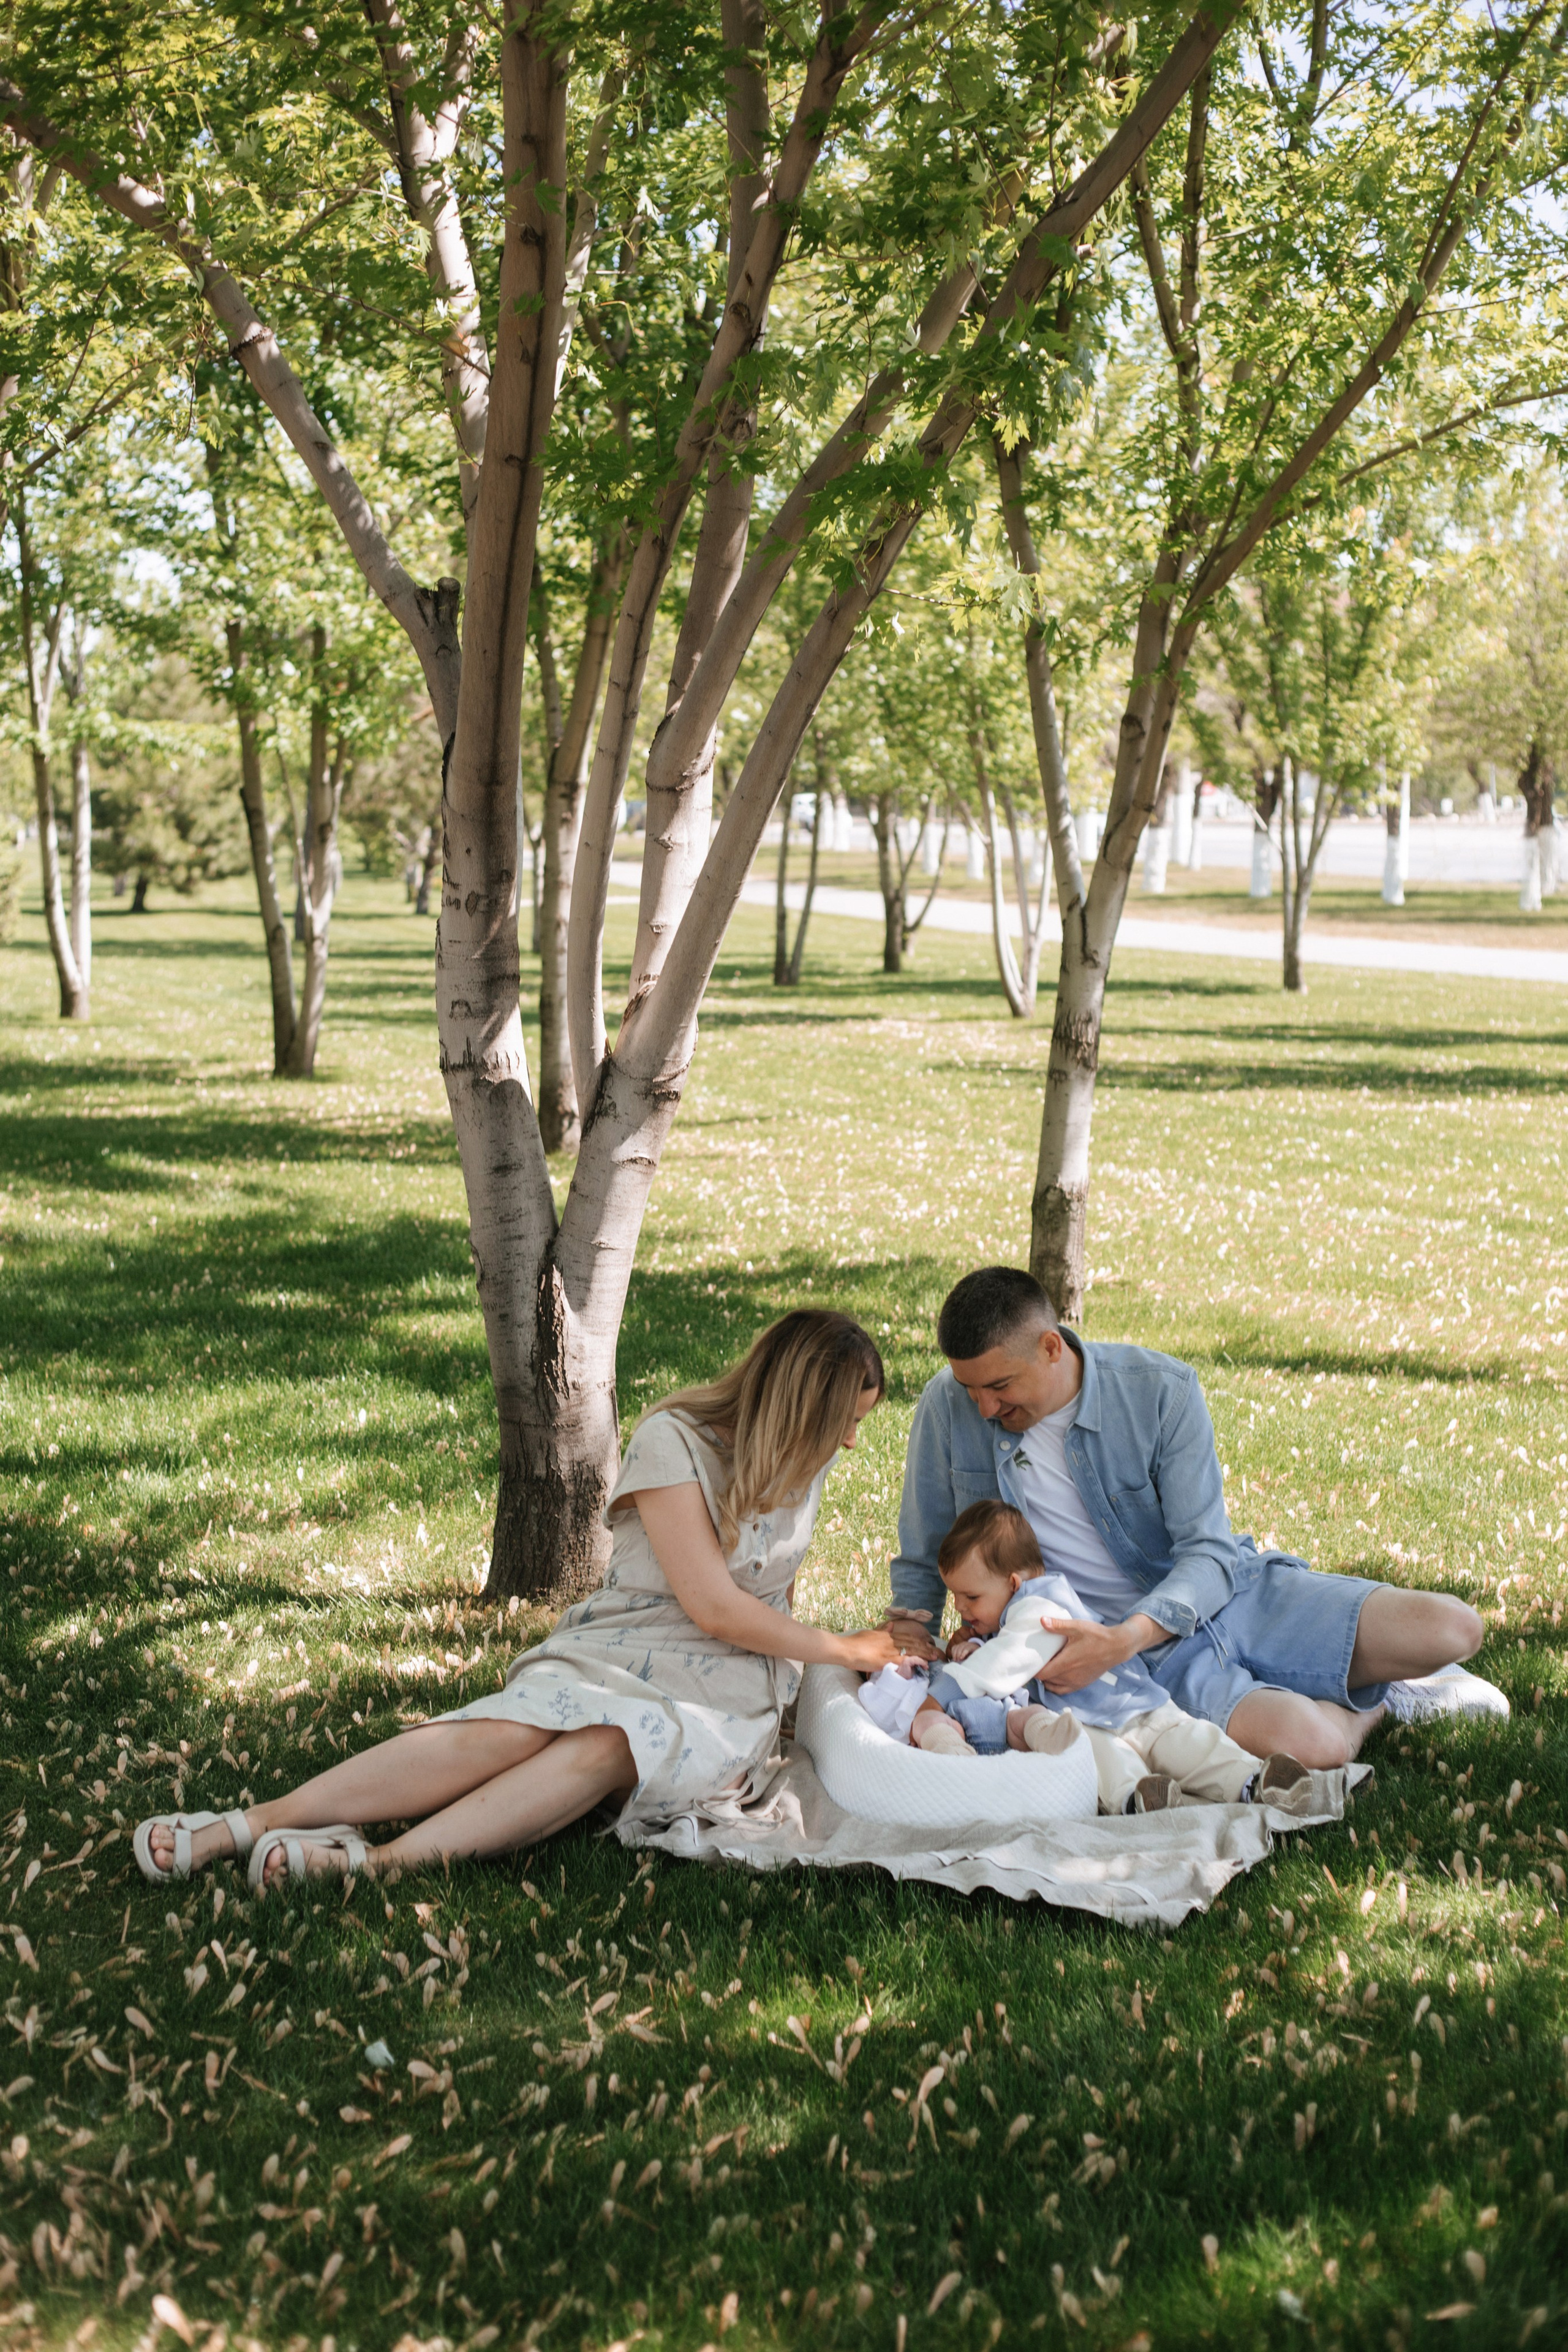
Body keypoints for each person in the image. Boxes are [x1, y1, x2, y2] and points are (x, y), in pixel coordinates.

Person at [134, 1310, 904, 1892]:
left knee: (608, 1745)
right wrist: (842, 1648)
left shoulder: (804, 1461)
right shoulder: (675, 1439)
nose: (850, 1445)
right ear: (799, 1406)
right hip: (633, 1643)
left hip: (722, 1693)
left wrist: (798, 1691)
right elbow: (711, 1605)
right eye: (845, 1423)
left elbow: (770, 1589)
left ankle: (378, 1863)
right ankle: (255, 1823)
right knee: (517, 1728)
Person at [887, 1267, 1499, 1770]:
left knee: (1451, 1630)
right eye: (970, 1389)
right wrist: (914, 1635)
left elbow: (1207, 1553)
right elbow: (925, 1548)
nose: (983, 1407)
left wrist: (1126, 1634)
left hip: (1223, 1595)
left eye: (998, 1386)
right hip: (1139, 1660)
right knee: (1318, 1748)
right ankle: (1378, 1699)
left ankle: (1376, 1674)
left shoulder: (1161, 1390)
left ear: (1051, 1347)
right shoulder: (949, 1404)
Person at [864, 1500, 1313, 1814]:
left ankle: (1258, 1777)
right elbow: (995, 1651)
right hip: (1102, 1718)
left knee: (1186, 1743)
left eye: (971, 1596)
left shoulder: (1041, 1611)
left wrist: (937, 1699)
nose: (960, 1608)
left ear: (1015, 1584)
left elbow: (1004, 1663)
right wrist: (970, 1641)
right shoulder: (1010, 1618)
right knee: (1107, 1761)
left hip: (1136, 1707)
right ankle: (1144, 1796)